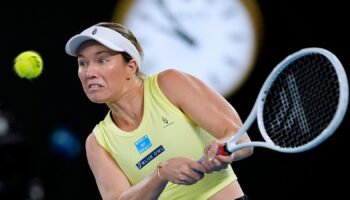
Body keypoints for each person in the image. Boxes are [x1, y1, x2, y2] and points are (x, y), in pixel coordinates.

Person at [65, 22, 253, 200]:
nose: (89, 72)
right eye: (83, 63)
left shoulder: (171, 83)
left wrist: (222, 148)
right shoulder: (97, 143)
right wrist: (161, 174)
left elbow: (242, 140)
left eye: (102, 60)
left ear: (131, 66)